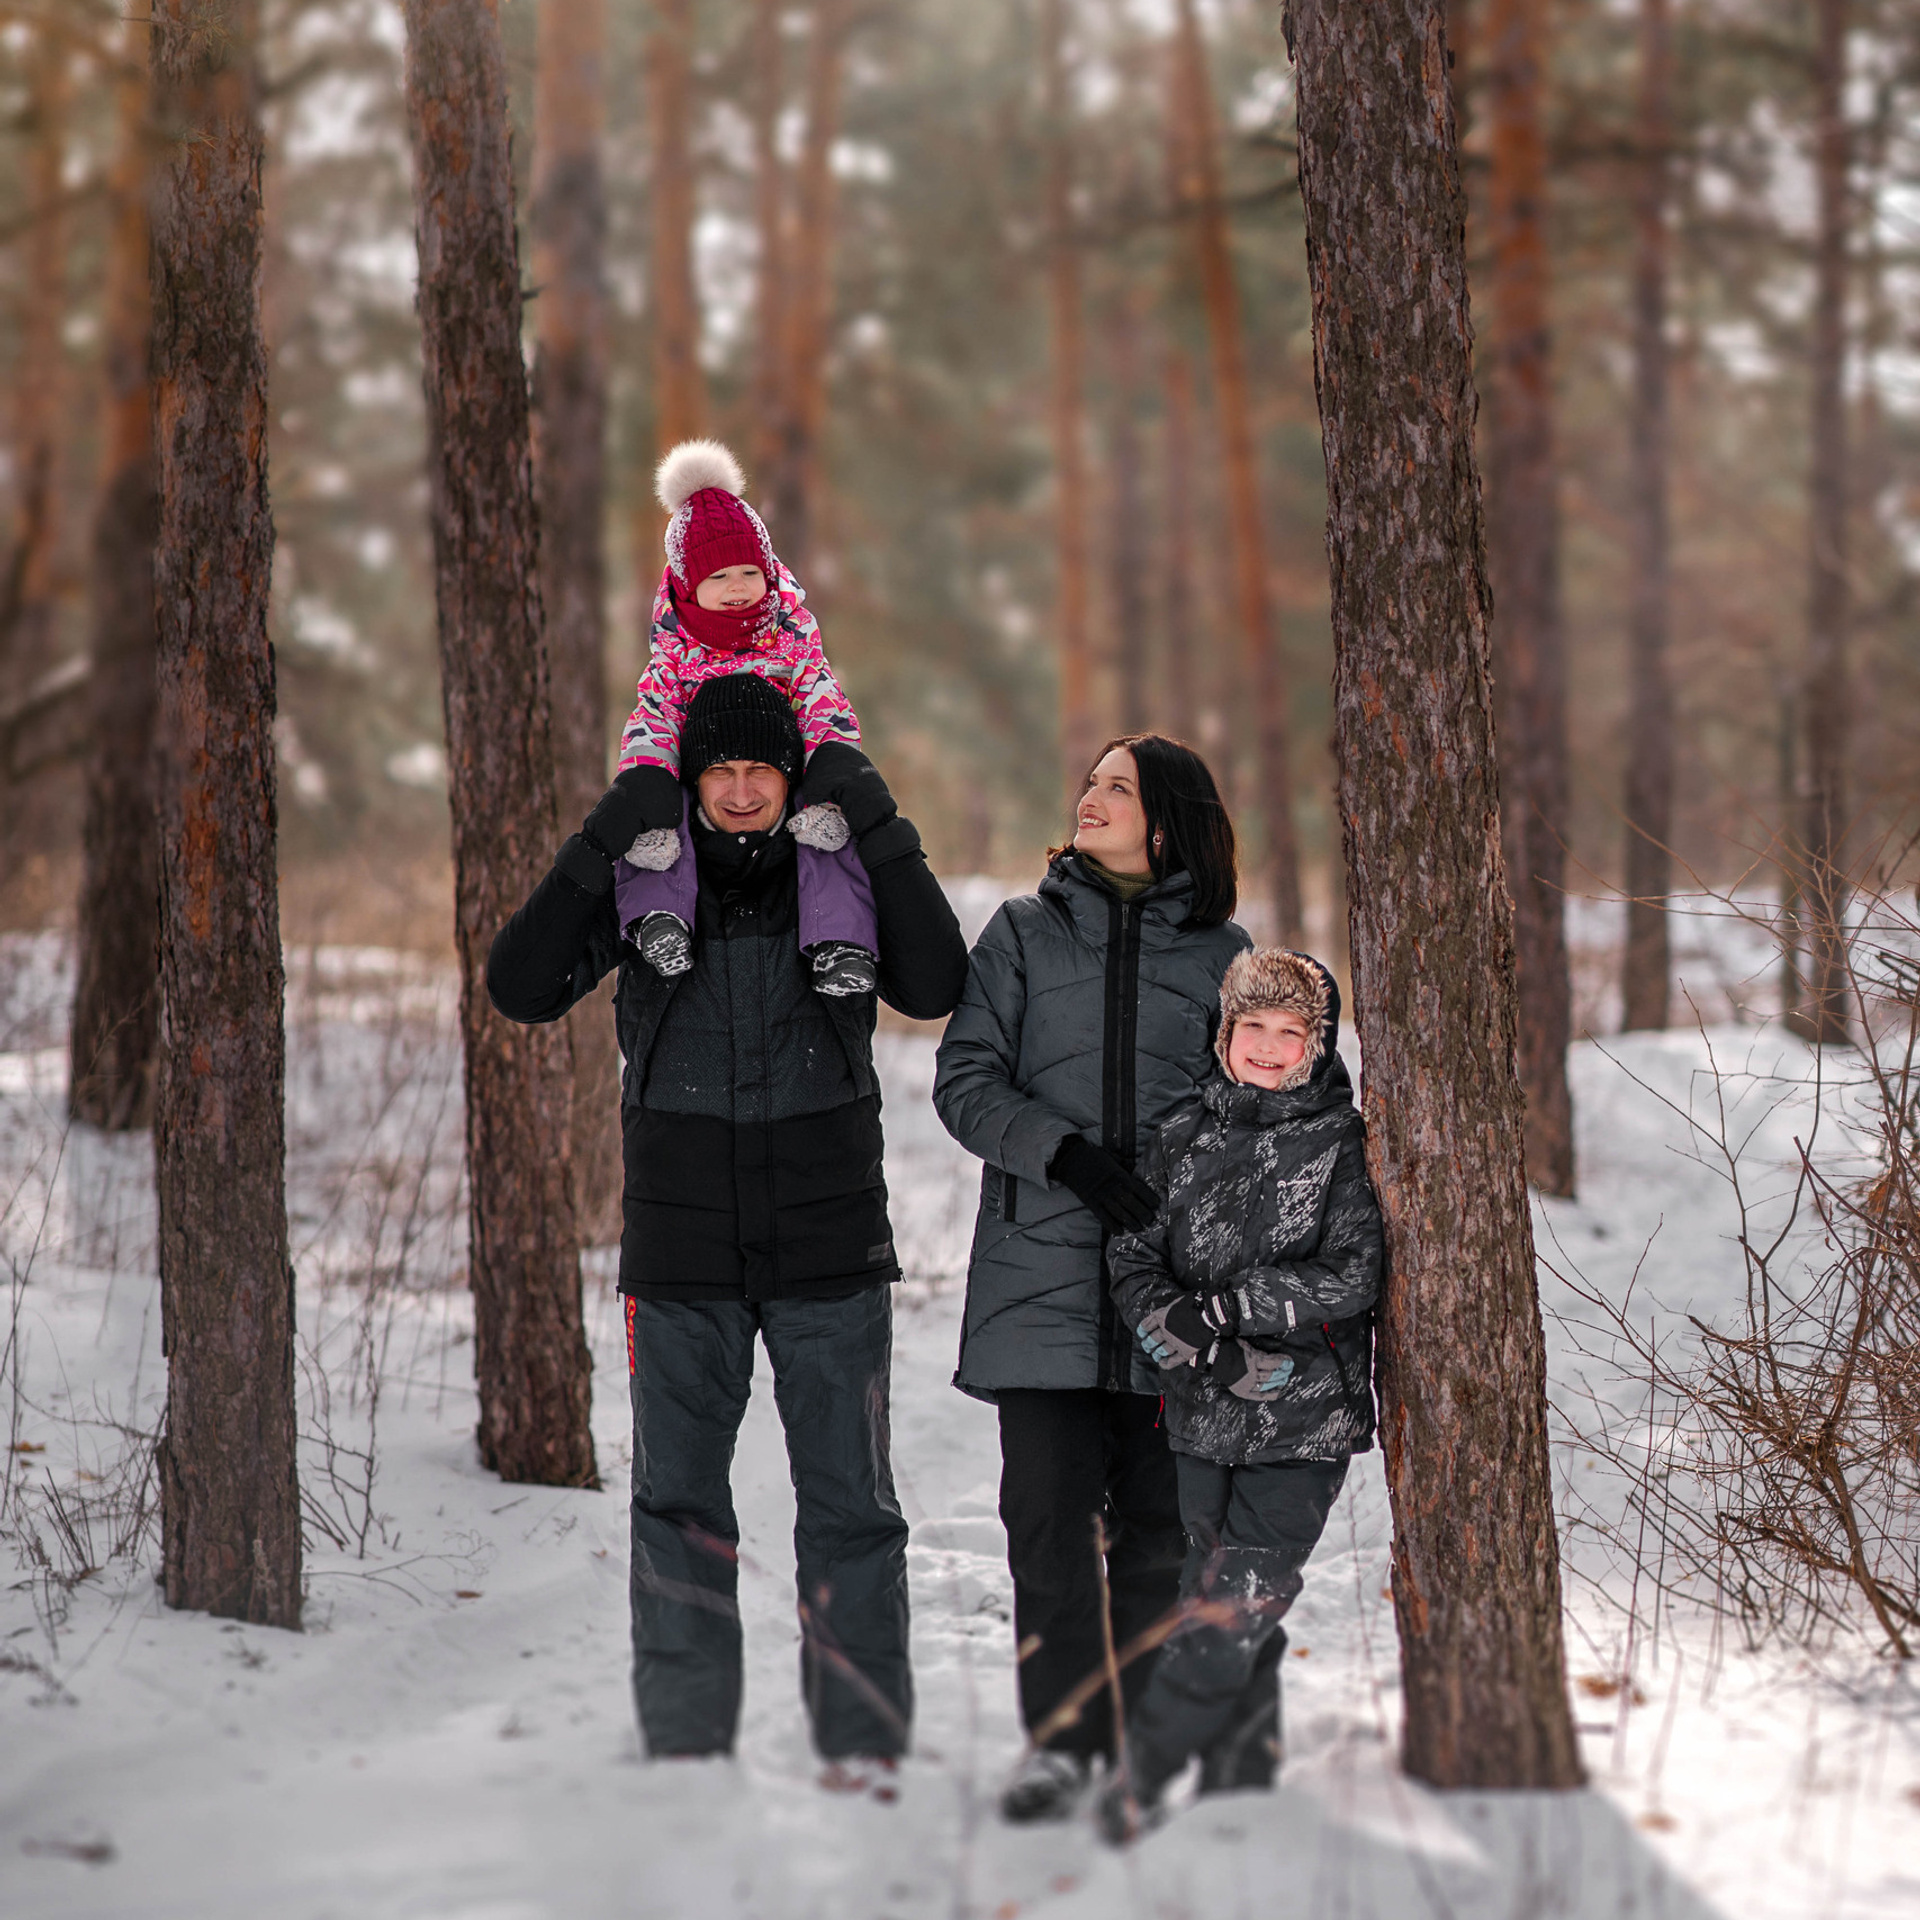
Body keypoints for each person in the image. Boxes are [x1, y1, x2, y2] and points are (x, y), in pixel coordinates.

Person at [486, 671, 967, 1790]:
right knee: (677, 1506)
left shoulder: (838, 877)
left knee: (852, 1506)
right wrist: (597, 842)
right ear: (691, 777)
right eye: (723, 770)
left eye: (764, 769)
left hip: (830, 1252)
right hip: (683, 1253)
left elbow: (938, 980)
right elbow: (520, 985)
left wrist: (882, 820)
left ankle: (861, 1748)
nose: (745, 790)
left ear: (796, 775)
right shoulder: (648, 886)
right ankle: (690, 1753)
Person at [931, 735, 1251, 1822]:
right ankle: (1063, 1743)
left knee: (1160, 1530)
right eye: (1091, 782)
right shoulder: (1022, 933)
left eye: (1119, 786)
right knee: (1047, 1518)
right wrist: (1061, 1152)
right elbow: (964, 1082)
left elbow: (1257, 1104)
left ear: (1168, 821)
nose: (1091, 796)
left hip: (1171, 1286)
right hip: (1042, 1277)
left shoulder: (1224, 955)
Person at [1097, 947, 1382, 1841]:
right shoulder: (1182, 1136)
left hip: (1304, 1412)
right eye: (1251, 1027)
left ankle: (1139, 1778)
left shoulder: (1341, 1140)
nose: (1267, 1047)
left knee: (1237, 1601)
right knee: (1209, 1593)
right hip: (1201, 1414)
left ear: (1316, 1045)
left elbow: (1353, 1270)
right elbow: (1133, 1255)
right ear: (1225, 1034)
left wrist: (1227, 1309)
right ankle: (1239, 1780)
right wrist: (1190, 1346)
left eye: (1289, 1033)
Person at [610, 438, 879, 998]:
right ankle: (658, 920)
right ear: (687, 587)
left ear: (770, 572)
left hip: (782, 774)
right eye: (717, 578)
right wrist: (648, 774)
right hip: (704, 783)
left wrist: (835, 764)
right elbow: (654, 714)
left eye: (748, 572)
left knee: (827, 838)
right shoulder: (676, 651)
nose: (736, 588)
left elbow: (821, 698)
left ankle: (843, 943)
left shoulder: (791, 639)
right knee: (662, 828)